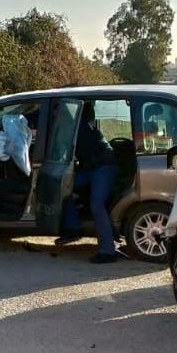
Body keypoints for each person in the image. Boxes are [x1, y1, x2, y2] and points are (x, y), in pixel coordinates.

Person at [58, 107, 121, 264]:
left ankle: (107, 252)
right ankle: (73, 230)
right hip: (90, 167)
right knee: (65, 189)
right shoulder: (77, 124)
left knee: (96, 205)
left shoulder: (77, 127)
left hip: (104, 167)